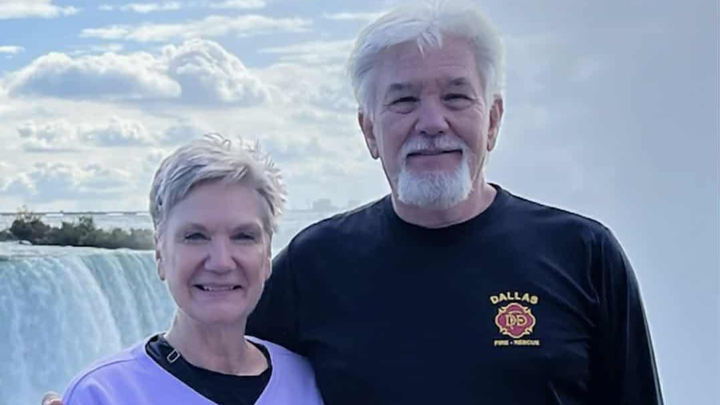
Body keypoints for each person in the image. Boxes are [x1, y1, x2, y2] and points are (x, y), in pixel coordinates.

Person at [44, 1, 664, 404]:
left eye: (456, 96)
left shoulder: (583, 254)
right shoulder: (315, 263)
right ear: (369, 131)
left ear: (493, 118)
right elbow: (219, 366)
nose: (431, 122)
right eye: (402, 101)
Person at [51, 134, 324, 405]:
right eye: (195, 236)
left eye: (243, 236)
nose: (221, 262)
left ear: (267, 255)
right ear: (160, 253)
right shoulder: (103, 395)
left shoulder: (311, 383)